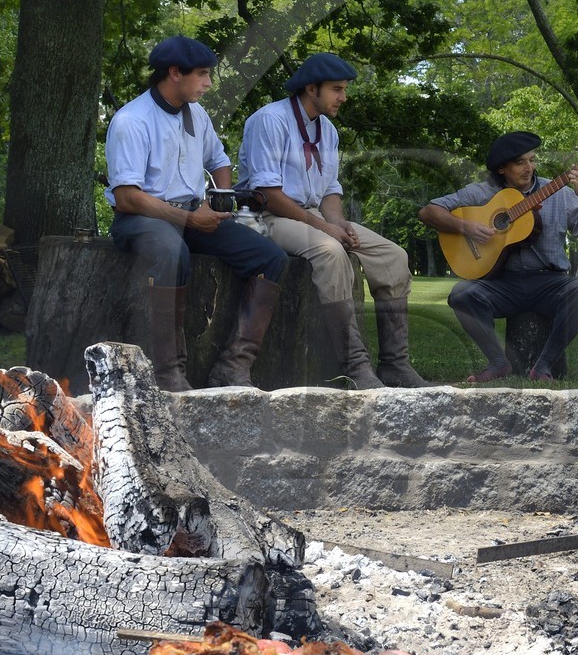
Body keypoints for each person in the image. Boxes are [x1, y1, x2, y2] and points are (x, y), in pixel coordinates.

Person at [105, 35, 289, 391]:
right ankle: (167, 372)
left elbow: (219, 161)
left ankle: (234, 366)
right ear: (175, 73)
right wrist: (189, 220)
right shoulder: (132, 120)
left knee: (271, 258)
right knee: (173, 252)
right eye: (202, 74)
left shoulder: (197, 115)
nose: (207, 84)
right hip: (141, 219)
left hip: (193, 214)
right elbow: (128, 197)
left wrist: (218, 202)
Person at [238, 52, 430, 389]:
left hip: (310, 216)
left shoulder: (327, 130)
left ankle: (396, 364)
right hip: (267, 216)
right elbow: (269, 194)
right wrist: (325, 230)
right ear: (311, 89)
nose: (344, 97)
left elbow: (329, 190)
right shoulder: (269, 121)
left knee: (393, 256)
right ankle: (356, 367)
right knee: (330, 252)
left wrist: (339, 223)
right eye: (337, 89)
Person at [418, 131, 578, 382]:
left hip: (549, 282)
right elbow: (429, 212)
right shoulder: (484, 192)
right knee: (462, 294)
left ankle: (544, 366)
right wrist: (466, 227)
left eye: (532, 160)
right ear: (502, 169)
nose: (529, 168)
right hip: (502, 284)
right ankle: (498, 363)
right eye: (520, 162)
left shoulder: (557, 192)